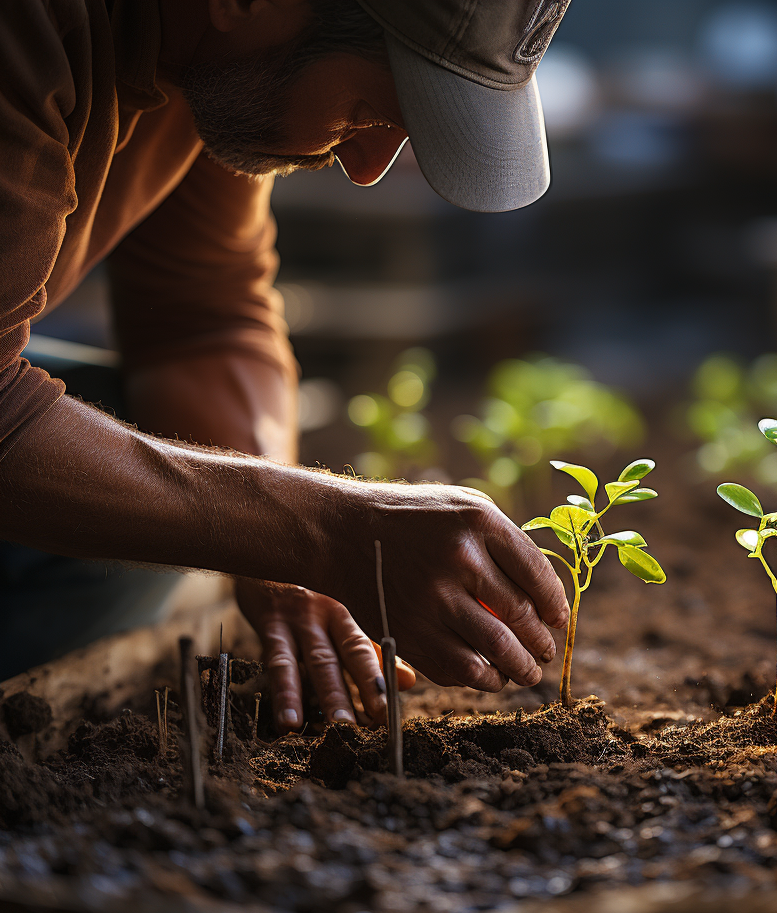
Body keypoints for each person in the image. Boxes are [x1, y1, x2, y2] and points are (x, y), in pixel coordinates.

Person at [0, 0, 573, 730]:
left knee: (129, 501)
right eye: (368, 111)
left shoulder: (204, 58)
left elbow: (205, 320)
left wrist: (276, 557)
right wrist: (324, 533)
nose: (367, 169)